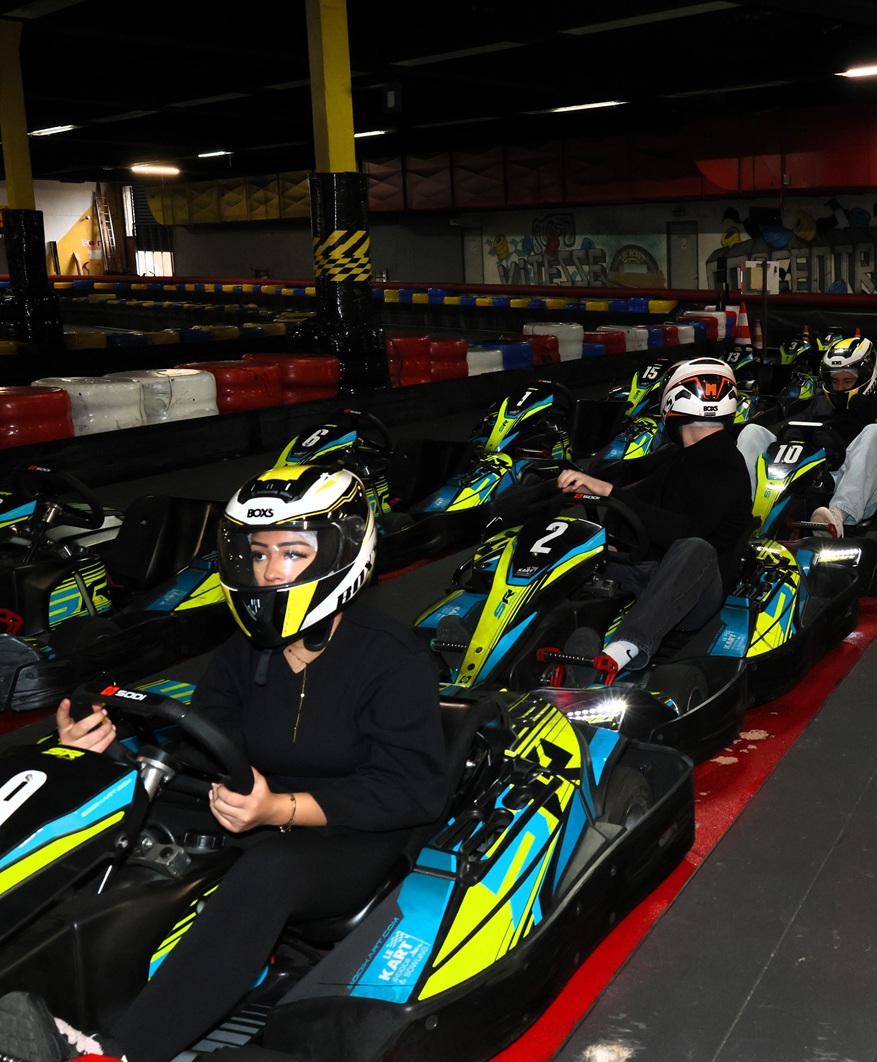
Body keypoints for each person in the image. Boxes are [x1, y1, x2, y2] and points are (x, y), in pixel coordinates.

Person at [0, 464, 448, 1062]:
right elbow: (203, 746)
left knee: (270, 870)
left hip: (349, 834)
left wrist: (280, 809)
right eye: (259, 554)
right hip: (247, 801)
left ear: (342, 554)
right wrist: (104, 755)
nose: (271, 571)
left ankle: (120, 1051)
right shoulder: (247, 650)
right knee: (97, 802)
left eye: (293, 553)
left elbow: (411, 789)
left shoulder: (391, 657)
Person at [551, 356, 752, 682]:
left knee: (694, 548)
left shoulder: (725, 464)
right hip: (652, 572)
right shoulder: (681, 454)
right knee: (570, 547)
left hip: (698, 590)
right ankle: (519, 640)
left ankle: (623, 650)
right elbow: (633, 488)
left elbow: (682, 531)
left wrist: (609, 491)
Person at [737, 334, 877, 538]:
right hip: (813, 476)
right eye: (834, 381)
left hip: (854, 490)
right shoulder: (820, 405)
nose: (840, 388)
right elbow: (792, 429)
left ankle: (836, 516)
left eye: (847, 381)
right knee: (752, 431)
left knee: (876, 432)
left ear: (866, 377)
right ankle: (743, 507)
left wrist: (872, 418)